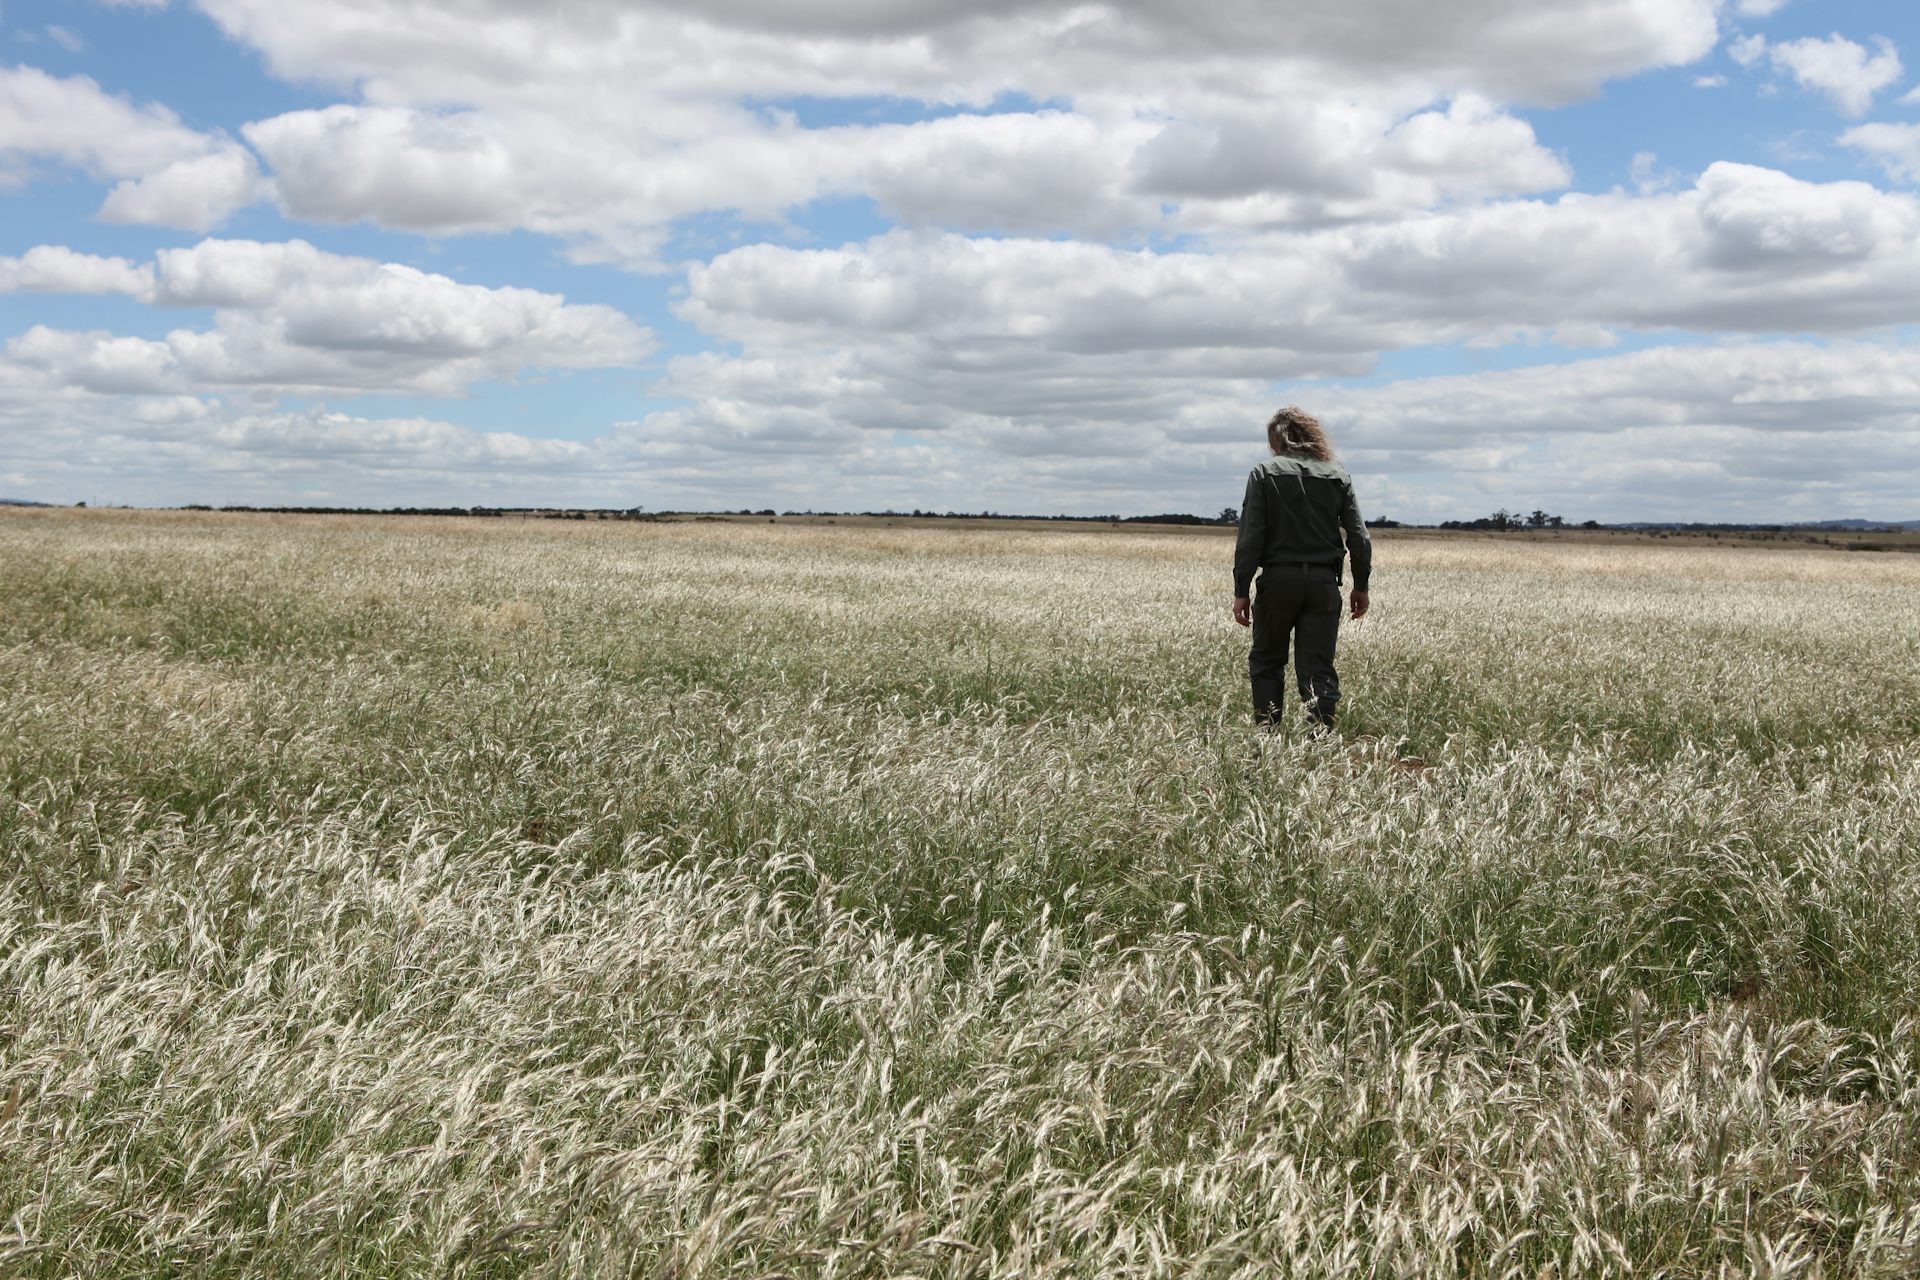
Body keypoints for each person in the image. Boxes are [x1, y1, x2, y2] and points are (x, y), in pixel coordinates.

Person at [1231, 407, 1371, 730]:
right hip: (1324, 583)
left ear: (1277, 441)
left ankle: (1268, 740)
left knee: (1267, 662)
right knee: (1318, 669)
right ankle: (1319, 746)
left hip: (1277, 581)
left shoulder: (1264, 473)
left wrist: (1241, 590)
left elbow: (1250, 540)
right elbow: (1360, 539)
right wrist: (1361, 585)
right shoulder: (1338, 476)